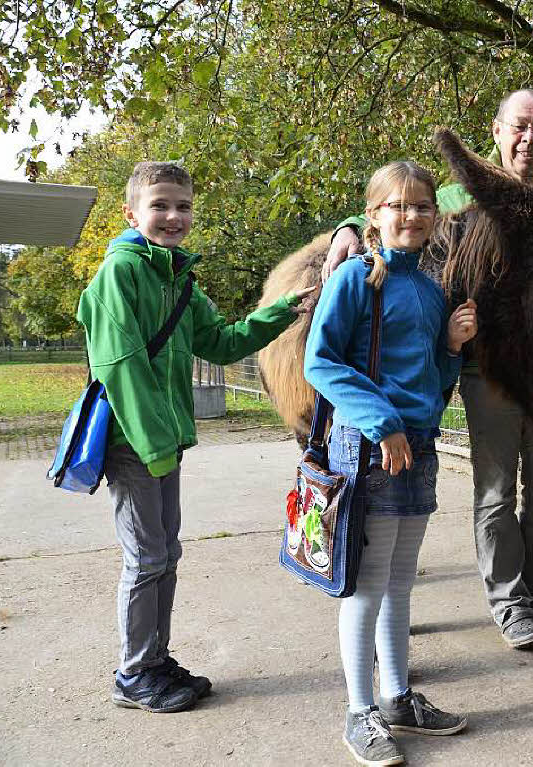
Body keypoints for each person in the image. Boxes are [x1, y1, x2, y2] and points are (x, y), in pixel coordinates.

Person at [323, 90, 533, 649]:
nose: (530, 138)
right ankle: (508, 602)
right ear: (497, 131)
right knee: (496, 491)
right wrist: (348, 229)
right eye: (519, 127)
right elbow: (400, 202)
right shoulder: (457, 192)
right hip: (487, 372)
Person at [77, 161, 314, 713]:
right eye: (159, 205)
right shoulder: (121, 274)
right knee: (144, 559)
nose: (173, 216)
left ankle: (155, 658)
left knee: (165, 554)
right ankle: (134, 672)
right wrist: (156, 447)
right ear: (131, 213)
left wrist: (282, 311)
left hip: (165, 443)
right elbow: (121, 366)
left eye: (182, 206)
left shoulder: (179, 277)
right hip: (133, 442)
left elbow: (223, 342)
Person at [304, 160, 477, 766]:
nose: (411, 216)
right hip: (370, 448)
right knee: (368, 585)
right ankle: (360, 711)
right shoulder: (356, 279)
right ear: (374, 215)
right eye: (397, 206)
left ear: (434, 216)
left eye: (422, 206)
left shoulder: (430, 290)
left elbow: (433, 380)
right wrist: (384, 424)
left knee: (400, 582)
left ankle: (398, 696)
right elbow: (321, 363)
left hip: (418, 446)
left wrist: (453, 347)